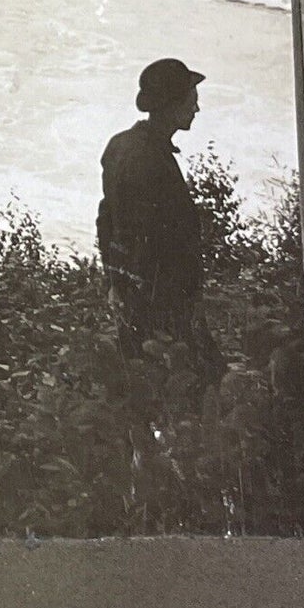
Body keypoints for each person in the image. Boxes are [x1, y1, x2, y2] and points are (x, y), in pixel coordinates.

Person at [96, 57, 220, 372]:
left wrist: (115, 283)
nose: (197, 109)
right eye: (192, 101)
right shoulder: (146, 158)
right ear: (172, 104)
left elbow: (107, 219)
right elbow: (139, 238)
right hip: (160, 303)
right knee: (182, 380)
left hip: (141, 296)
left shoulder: (123, 146)